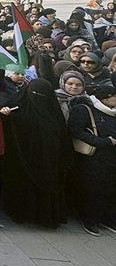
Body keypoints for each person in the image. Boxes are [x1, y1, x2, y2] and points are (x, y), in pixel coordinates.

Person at [0, 79, 72, 228]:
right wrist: (6, 116)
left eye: (42, 94)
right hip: (21, 161)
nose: (37, 97)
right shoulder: (17, 108)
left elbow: (62, 139)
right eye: (34, 93)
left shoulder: (53, 115)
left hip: (47, 162)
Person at [68, 86, 116, 236]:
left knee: (110, 190)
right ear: (106, 97)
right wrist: (103, 141)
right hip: (93, 158)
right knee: (93, 190)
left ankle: (106, 219)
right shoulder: (85, 109)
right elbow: (75, 130)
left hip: (111, 159)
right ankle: (90, 219)